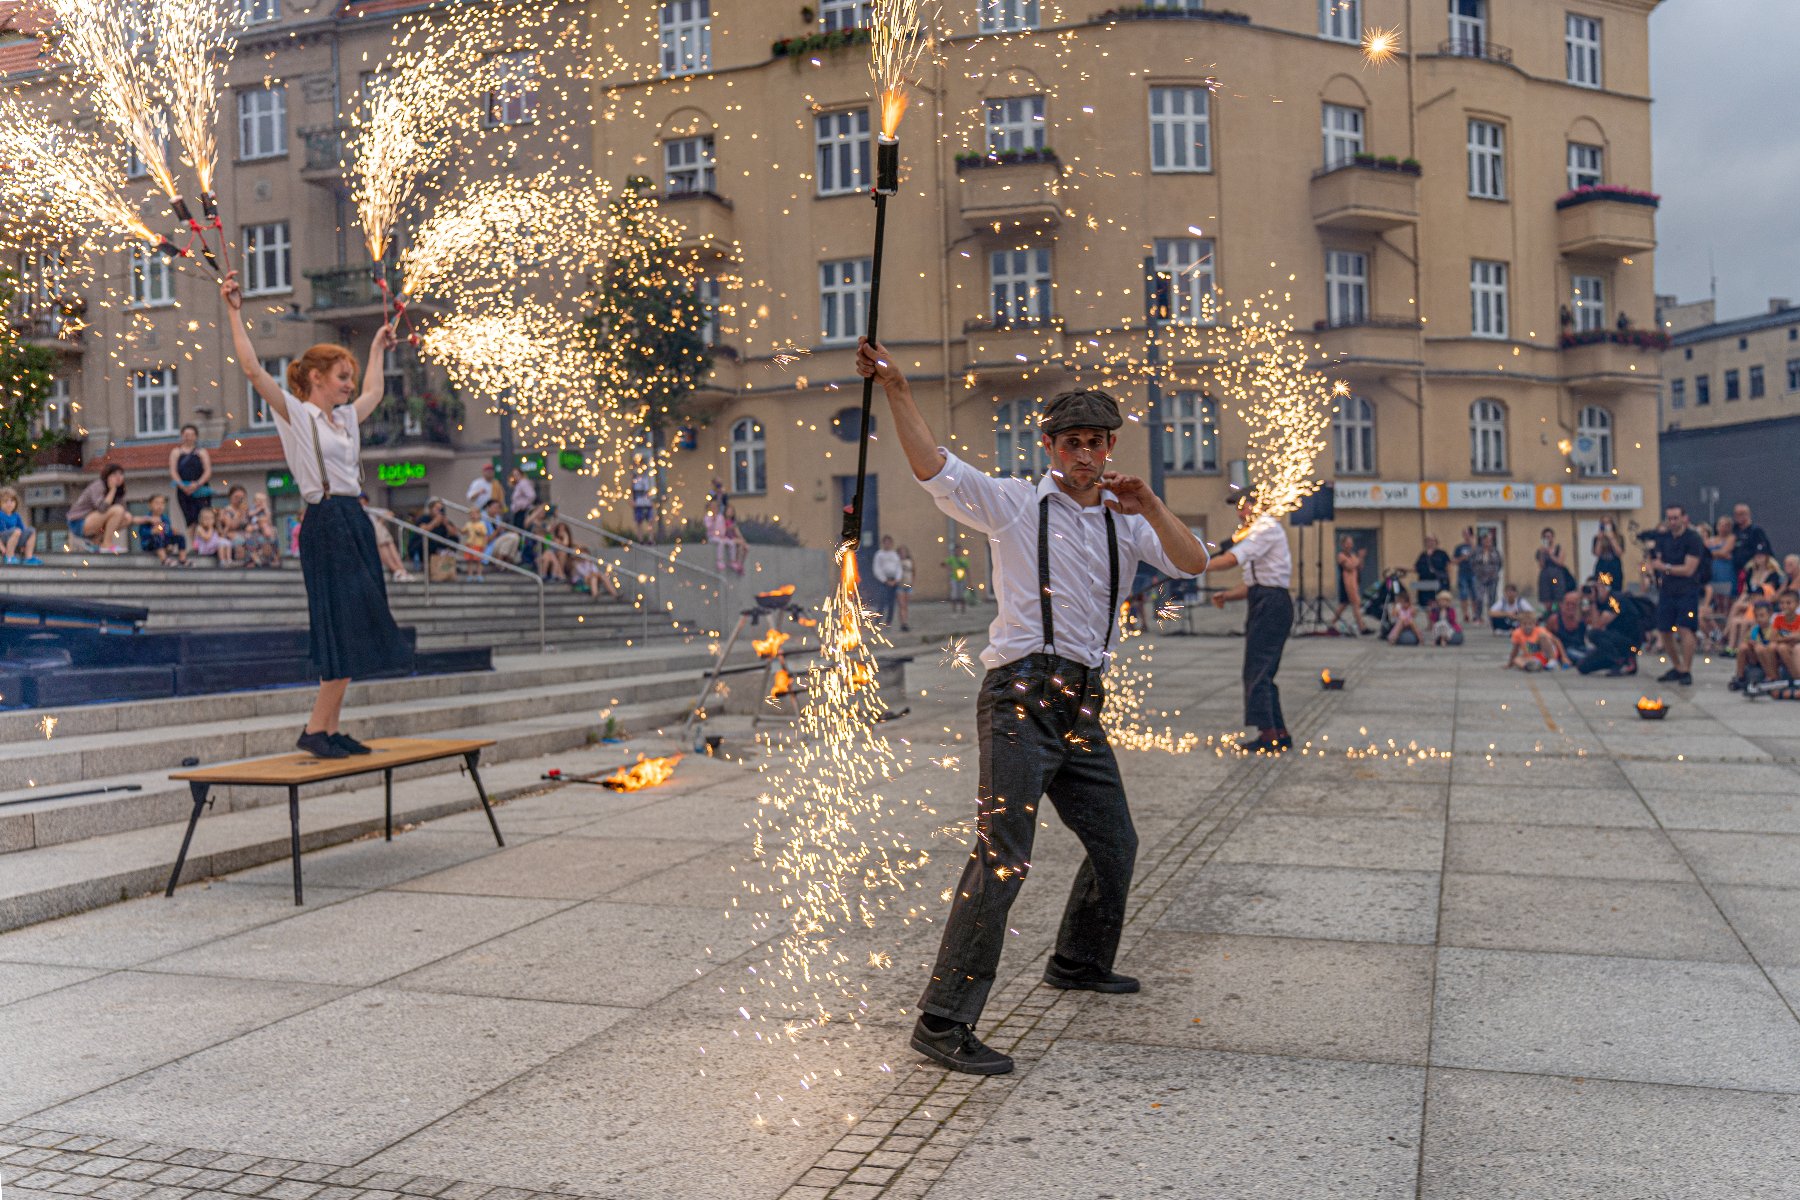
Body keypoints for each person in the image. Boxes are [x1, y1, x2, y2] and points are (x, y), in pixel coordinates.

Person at [856, 337, 1208, 1076]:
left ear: (1112, 446)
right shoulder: (1017, 505)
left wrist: (1151, 502)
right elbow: (932, 467)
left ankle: (1077, 962)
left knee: (1116, 844)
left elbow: (1194, 561)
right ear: (1049, 446)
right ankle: (942, 1020)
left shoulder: (1127, 519)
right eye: (1072, 442)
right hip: (1019, 696)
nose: (1085, 454)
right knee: (1003, 858)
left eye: (1097, 442)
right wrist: (897, 389)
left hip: (1083, 702)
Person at [222, 268, 411, 760]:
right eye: (341, 377)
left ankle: (325, 729)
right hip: (324, 522)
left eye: (349, 377)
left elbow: (374, 393)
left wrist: (375, 348)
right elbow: (251, 370)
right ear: (316, 379)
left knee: (355, 623)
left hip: (353, 519)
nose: (349, 386)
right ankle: (315, 729)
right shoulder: (296, 413)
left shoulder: (345, 416)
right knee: (340, 621)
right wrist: (234, 312)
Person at [1205, 487, 1292, 753]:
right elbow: (1254, 583)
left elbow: (1232, 559)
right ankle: (1279, 733)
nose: (1240, 512)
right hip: (1264, 600)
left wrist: (1196, 563)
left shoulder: (1266, 527)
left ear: (1258, 504)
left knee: (1258, 671)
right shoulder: (1256, 531)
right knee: (1262, 672)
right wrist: (1228, 596)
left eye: (1244, 506)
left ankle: (1269, 737)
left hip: (1272, 605)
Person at [1647, 503, 1707, 686]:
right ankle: (1677, 666)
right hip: (1667, 589)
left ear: (1683, 518)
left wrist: (1665, 567)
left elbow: (1689, 569)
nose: (1672, 522)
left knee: (1685, 628)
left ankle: (1686, 669)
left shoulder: (1693, 539)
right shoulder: (1664, 539)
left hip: (1687, 590)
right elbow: (1654, 560)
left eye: (1675, 518)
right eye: (1670, 518)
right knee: (1664, 629)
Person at [67, 463, 148, 552]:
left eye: (121, 474)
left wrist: (148, 519)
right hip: (79, 522)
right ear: (107, 476)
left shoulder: (120, 491)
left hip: (95, 521)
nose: (118, 477)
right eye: (114, 474)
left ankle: (96, 542)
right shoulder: (99, 485)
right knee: (117, 510)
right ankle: (107, 544)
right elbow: (102, 508)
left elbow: (122, 514)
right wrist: (112, 490)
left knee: (127, 517)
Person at [1577, 575, 1642, 676]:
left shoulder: (1615, 600)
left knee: (1593, 634)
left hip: (1629, 642)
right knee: (1582, 666)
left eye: (1594, 588)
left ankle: (1623, 660)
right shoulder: (1598, 603)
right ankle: (1615, 660)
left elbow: (1597, 626)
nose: (1592, 591)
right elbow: (1591, 623)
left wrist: (1594, 601)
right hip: (1613, 642)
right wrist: (1588, 601)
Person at [167, 424, 213, 533]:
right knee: (190, 520)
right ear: (182, 436)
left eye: (192, 435)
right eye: (186, 435)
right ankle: (194, 545)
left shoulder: (201, 452)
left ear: (196, 436)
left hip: (201, 490)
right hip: (184, 490)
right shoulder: (176, 452)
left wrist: (197, 484)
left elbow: (207, 471)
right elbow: (173, 471)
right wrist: (183, 486)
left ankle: (206, 543)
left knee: (204, 517)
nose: (189, 437)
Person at [359, 494, 413, 582]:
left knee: (390, 546)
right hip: (371, 536)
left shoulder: (371, 511)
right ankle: (397, 570)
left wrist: (380, 521)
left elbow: (389, 513)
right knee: (381, 540)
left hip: (379, 534)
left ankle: (402, 570)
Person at [1731, 599, 1780, 691]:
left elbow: (1772, 645)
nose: (1759, 619)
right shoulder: (1754, 629)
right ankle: (1739, 676)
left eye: (1762, 616)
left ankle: (1770, 676)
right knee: (1743, 647)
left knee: (1760, 648)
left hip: (1768, 658)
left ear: (1770, 615)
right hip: (1754, 657)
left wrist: (1758, 644)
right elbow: (1746, 641)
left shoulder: (1773, 629)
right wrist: (1749, 643)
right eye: (1756, 616)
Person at [1330, 535, 1370, 636]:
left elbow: (1359, 566)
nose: (1350, 545)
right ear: (1343, 544)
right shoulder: (1341, 556)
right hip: (1346, 584)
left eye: (1351, 542)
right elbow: (1349, 567)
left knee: (1345, 605)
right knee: (1353, 604)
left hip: (1354, 583)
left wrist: (1361, 558)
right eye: (1348, 543)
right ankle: (1361, 627)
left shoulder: (1352, 555)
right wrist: (1358, 558)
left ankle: (1332, 623)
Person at [1728, 503, 1774, 592]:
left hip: (1750, 571)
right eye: (1736, 514)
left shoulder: (1756, 531)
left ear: (1748, 515)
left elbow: (1763, 552)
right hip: (1734, 571)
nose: (1738, 516)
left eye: (1741, 514)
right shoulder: (1734, 530)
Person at [138, 493, 188, 566]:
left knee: (180, 537)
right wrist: (152, 531)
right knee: (157, 537)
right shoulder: (146, 519)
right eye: (157, 503)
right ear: (150, 505)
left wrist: (172, 533)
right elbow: (141, 533)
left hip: (163, 541)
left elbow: (167, 532)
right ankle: (164, 559)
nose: (160, 506)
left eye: (162, 503)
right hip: (150, 543)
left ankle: (182, 559)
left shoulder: (165, 519)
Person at [1544, 591, 1589, 664]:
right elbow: (1544, 637)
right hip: (1564, 652)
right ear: (1562, 605)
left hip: (1580, 648)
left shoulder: (1583, 618)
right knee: (1575, 654)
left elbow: (1597, 627)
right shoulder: (1554, 620)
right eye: (1567, 604)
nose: (1570, 607)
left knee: (1594, 652)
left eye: (1573, 604)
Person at [1535, 527, 1573, 608]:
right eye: (1545, 537)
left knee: (1558, 596)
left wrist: (1550, 554)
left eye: (1549, 537)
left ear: (1552, 537)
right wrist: (1542, 554)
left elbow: (1560, 562)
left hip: (1556, 576)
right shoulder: (1541, 550)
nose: (1547, 539)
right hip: (1545, 575)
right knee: (1546, 598)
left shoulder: (1559, 548)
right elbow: (1541, 565)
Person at [0, 486, 40, 564]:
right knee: (17, 531)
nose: (9, 504)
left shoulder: (16, 515)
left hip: (16, 537)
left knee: (31, 531)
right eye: (5, 501)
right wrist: (2, 547)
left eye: (12, 501)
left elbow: (23, 530)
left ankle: (28, 557)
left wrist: (24, 543)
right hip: (2, 539)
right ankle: (9, 557)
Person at [507, 468, 538, 567]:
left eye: (517, 474)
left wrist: (523, 505)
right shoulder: (519, 485)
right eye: (514, 475)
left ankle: (524, 556)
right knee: (518, 533)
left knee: (521, 533)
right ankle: (520, 555)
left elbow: (531, 495)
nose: (516, 477)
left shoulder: (523, 483)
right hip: (518, 512)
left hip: (522, 512)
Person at [1470, 530, 1503, 624]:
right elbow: (1471, 563)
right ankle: (1478, 617)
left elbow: (1500, 564)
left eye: (1489, 540)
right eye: (1485, 540)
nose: (1487, 542)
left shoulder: (1495, 551)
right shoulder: (1477, 551)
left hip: (1492, 578)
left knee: (1492, 598)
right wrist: (1477, 572)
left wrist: (1494, 572)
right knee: (1479, 598)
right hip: (1479, 578)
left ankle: (1491, 617)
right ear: (1482, 541)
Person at [872, 535, 903, 626]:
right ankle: (877, 620)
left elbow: (898, 568)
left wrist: (897, 580)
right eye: (886, 542)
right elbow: (877, 569)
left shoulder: (895, 555)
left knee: (891, 602)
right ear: (883, 543)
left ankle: (889, 621)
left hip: (894, 581)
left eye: (889, 543)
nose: (887, 544)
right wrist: (885, 580)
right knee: (882, 601)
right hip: (883, 581)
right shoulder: (879, 554)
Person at [1414, 534, 1451, 607]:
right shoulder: (1423, 555)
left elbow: (1448, 567)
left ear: (1436, 542)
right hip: (1424, 582)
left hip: (1438, 581)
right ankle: (1431, 618)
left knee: (1440, 602)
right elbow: (1417, 568)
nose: (1430, 543)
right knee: (1426, 604)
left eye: (1432, 541)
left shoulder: (1442, 553)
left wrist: (1448, 580)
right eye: (1427, 541)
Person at [1772, 589, 1800, 682]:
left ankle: (1797, 678)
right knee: (1777, 647)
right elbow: (1773, 637)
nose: (1785, 606)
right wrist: (1791, 637)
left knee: (1785, 647)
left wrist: (1783, 638)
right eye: (1782, 603)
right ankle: (1774, 676)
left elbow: (1798, 637)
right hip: (1787, 646)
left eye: (1788, 603)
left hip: (1796, 648)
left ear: (1797, 604)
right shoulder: (1778, 618)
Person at [482, 499, 521, 563]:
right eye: (495, 508)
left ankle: (507, 559)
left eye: (498, 508)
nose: (497, 510)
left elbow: (502, 534)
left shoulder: (498, 518)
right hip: (489, 547)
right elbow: (486, 540)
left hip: (499, 544)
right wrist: (497, 530)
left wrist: (506, 529)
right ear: (488, 507)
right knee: (513, 537)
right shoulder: (483, 519)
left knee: (515, 537)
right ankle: (501, 560)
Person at [1453, 527, 1478, 625]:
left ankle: (1476, 614)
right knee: (1463, 594)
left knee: (1475, 595)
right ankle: (1465, 614)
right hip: (1463, 573)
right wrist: (1462, 558)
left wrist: (1473, 545)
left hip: (1474, 573)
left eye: (1468, 534)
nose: (1466, 536)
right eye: (1464, 534)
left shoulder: (1476, 547)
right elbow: (1454, 561)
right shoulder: (1459, 547)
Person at [1591, 522, 1623, 590]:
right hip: (1603, 565)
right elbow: (1597, 553)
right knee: (1602, 588)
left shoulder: (1619, 537)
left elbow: (1619, 553)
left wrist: (1612, 539)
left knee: (1615, 589)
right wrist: (1600, 539)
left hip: (1614, 565)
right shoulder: (1597, 538)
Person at [631, 463, 656, 540]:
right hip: (638, 504)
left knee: (650, 521)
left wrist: (651, 500)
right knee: (639, 522)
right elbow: (632, 492)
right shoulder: (634, 480)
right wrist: (632, 502)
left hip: (647, 504)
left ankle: (650, 539)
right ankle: (640, 540)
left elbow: (650, 491)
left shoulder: (648, 479)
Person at [945, 542, 971, 612]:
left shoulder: (963, 560)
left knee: (963, 595)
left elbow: (967, 570)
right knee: (954, 595)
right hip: (954, 579)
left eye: (959, 550)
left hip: (962, 579)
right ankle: (954, 610)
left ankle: (963, 610)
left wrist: (969, 580)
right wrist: (949, 568)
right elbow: (944, 564)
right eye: (956, 550)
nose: (958, 551)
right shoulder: (952, 559)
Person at [897, 544, 915, 631]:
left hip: (908, 585)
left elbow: (913, 572)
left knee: (906, 606)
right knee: (902, 605)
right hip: (900, 586)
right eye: (901, 552)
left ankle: (905, 622)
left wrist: (912, 582)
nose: (902, 554)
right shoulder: (897, 562)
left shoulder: (909, 562)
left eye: (904, 552)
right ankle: (903, 623)